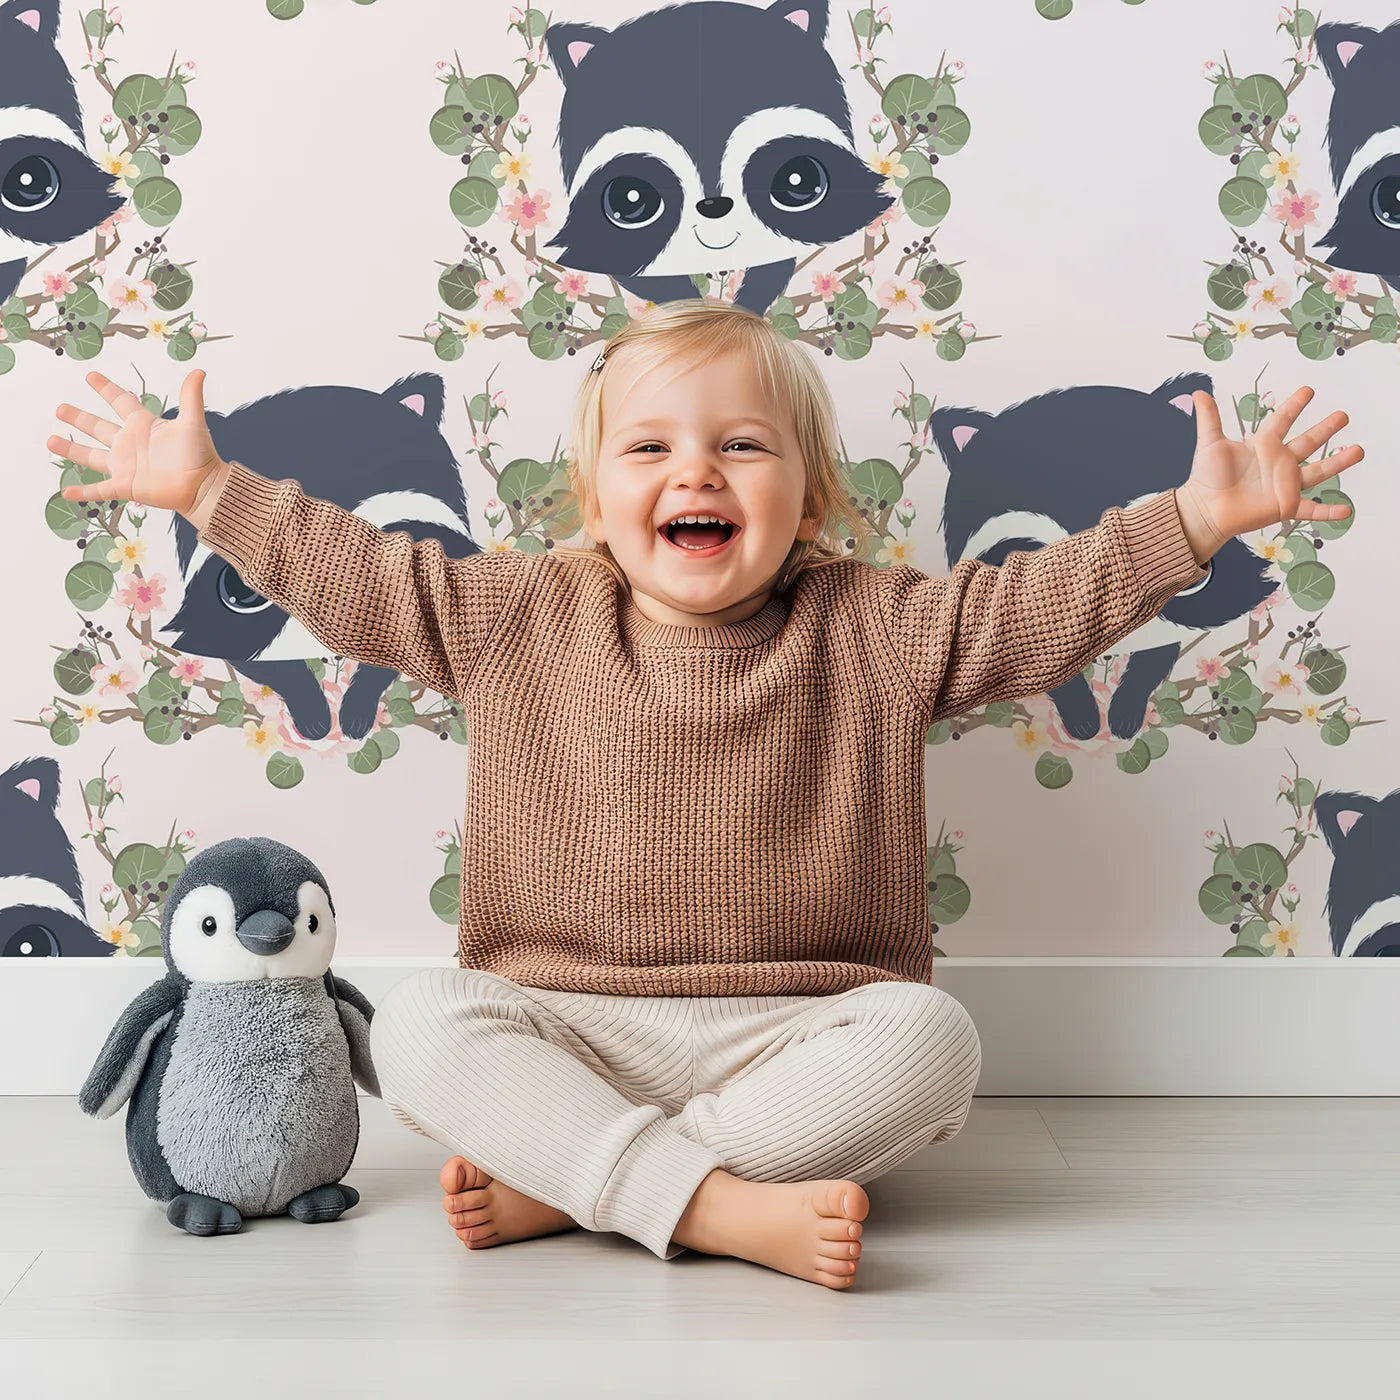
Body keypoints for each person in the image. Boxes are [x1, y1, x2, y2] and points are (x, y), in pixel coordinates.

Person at [48, 299, 1362, 1290]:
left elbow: (1035, 608)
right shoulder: (516, 614)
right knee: (419, 1028)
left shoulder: (877, 625)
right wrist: (209, 492)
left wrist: (1186, 525)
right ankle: (724, 1206)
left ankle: (585, 1186)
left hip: (801, 1034)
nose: (697, 474)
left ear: (812, 497)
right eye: (651, 448)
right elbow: (354, 572)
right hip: (564, 1024)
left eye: (744, 445)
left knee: (936, 1043)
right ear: (594, 495)